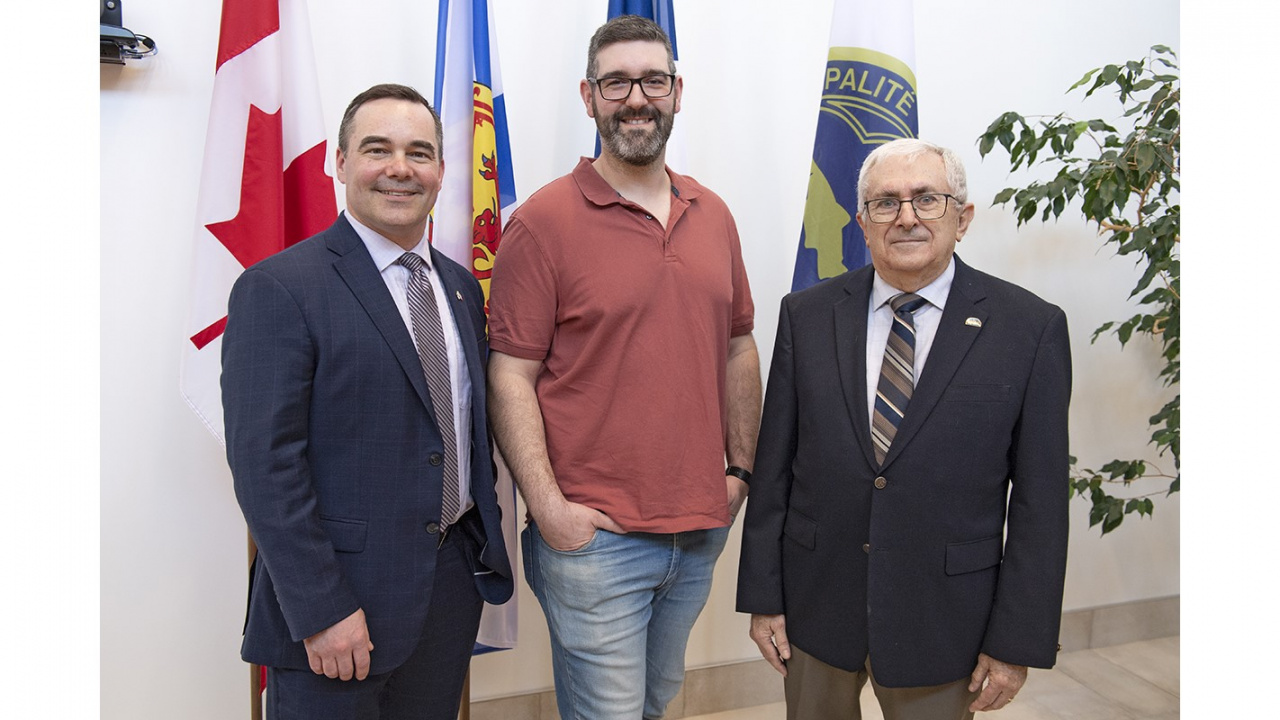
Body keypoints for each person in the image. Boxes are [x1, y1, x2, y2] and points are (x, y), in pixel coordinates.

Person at [486, 15, 761, 720]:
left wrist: (740, 473)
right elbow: (510, 374)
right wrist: (549, 509)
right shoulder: (543, 223)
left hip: (698, 529)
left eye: (653, 80)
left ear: (676, 92)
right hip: (595, 542)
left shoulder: (714, 215)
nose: (636, 97)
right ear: (589, 96)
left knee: (654, 705)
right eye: (616, 82)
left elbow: (737, 346)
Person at [737, 138, 1071, 719]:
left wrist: (1016, 641)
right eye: (886, 203)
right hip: (818, 608)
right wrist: (764, 599)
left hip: (947, 623)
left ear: (962, 218)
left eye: (927, 200)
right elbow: (775, 472)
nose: (907, 217)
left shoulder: (1029, 328)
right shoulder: (806, 315)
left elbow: (1042, 505)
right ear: (863, 223)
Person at [221, 83, 513, 720]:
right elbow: (266, 469)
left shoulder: (461, 288)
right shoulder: (279, 288)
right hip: (337, 608)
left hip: (446, 594)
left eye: (419, 151)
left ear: (440, 170)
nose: (399, 168)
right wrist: (323, 609)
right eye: (377, 149)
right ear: (341, 162)